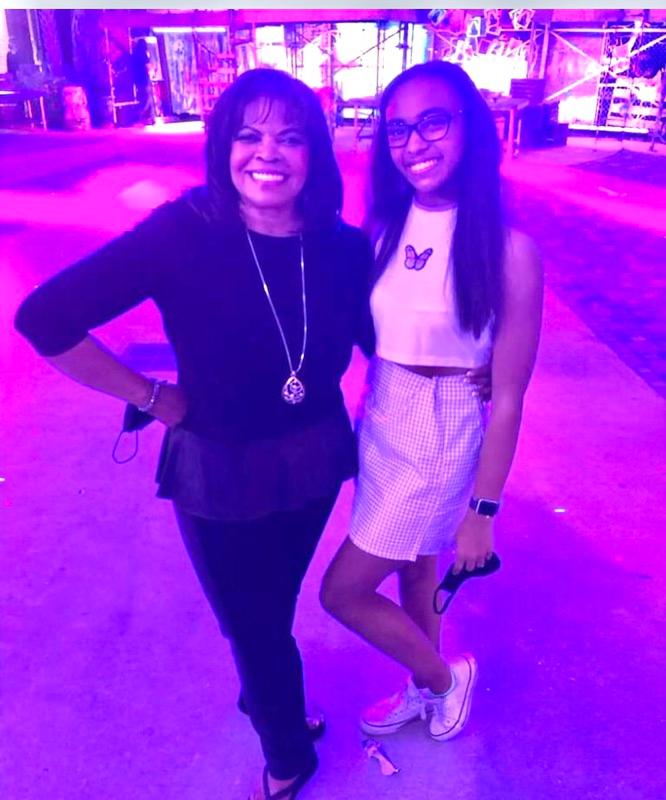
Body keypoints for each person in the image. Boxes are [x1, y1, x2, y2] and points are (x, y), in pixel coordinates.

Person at [15, 68, 375, 800]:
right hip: (218, 469)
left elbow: (385, 340)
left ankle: (267, 695)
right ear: (222, 147)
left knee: (268, 608)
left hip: (312, 460)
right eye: (248, 135)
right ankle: (287, 751)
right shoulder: (186, 232)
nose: (267, 153)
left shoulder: (340, 246)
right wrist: (149, 395)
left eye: (290, 138)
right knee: (253, 622)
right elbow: (45, 318)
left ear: (314, 153)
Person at [321, 60, 543, 743]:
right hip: (383, 413)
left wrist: (483, 512)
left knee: (344, 591)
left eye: (433, 123)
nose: (413, 143)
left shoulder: (510, 252)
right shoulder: (382, 229)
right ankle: (423, 688)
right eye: (398, 130)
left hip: (444, 429)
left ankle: (446, 679)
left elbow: (508, 398)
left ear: (471, 129)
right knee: (415, 573)